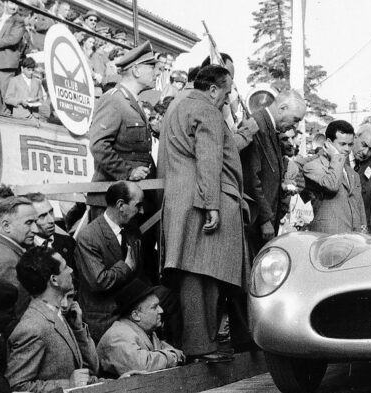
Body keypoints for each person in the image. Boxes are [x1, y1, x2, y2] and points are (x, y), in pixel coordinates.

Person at [159, 65, 249, 361]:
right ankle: (202, 344)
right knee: (207, 274)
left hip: (180, 200)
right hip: (202, 201)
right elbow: (209, 161)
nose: (227, 99)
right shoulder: (207, 110)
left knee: (193, 273)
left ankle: (199, 342)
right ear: (212, 89)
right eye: (226, 92)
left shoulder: (177, 106)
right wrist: (212, 205)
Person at [6, 246, 100, 393]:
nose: (71, 270)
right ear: (54, 280)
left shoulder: (59, 315)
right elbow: (17, 386)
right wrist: (67, 384)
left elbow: (89, 372)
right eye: (65, 267)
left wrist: (78, 329)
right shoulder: (32, 327)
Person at [87, 40, 159, 219]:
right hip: (113, 200)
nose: (157, 73)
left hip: (133, 198)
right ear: (136, 70)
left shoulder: (135, 102)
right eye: (151, 67)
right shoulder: (113, 100)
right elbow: (98, 145)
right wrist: (128, 172)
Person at [75, 181, 144, 342]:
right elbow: (99, 281)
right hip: (105, 317)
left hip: (129, 309)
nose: (142, 211)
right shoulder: (88, 237)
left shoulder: (133, 231)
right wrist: (125, 267)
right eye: (138, 205)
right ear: (121, 205)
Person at [241, 89, 307, 252]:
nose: (295, 125)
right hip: (257, 223)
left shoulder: (268, 127)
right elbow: (251, 179)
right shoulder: (257, 126)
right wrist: (264, 220)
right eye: (295, 119)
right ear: (282, 108)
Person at [97, 279, 184, 377]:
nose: (161, 310)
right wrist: (174, 356)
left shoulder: (148, 332)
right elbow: (143, 365)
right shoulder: (117, 336)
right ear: (135, 315)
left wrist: (173, 355)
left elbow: (170, 352)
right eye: (154, 307)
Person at [303, 119, 367, 234]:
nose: (347, 149)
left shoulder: (353, 174)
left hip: (354, 239)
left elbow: (359, 207)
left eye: (350, 144)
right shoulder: (312, 167)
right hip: (328, 237)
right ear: (328, 143)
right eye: (342, 144)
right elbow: (332, 186)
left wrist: (363, 233)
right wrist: (336, 156)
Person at [0, 0, 26, 114]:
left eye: (16, 4)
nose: (14, 6)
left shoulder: (19, 20)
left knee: (6, 94)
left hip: (6, 61)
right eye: (12, 3)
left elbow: (14, 38)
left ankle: (7, 119)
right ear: (5, 3)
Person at [24, 192, 77, 271]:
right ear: (30, 221)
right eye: (42, 216)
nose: (51, 220)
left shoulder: (69, 242)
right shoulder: (24, 250)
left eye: (51, 212)